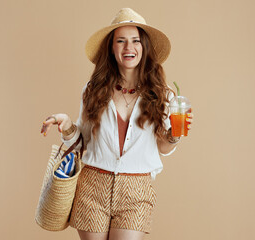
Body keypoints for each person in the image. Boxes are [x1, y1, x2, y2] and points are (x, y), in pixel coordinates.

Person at [40, 8, 193, 240]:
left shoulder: (164, 95)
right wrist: (67, 125)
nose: (128, 47)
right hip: (93, 186)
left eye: (135, 41)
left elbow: (163, 146)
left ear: (144, 48)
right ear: (112, 48)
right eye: (120, 41)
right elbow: (83, 141)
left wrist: (174, 135)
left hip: (136, 190)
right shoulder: (93, 90)